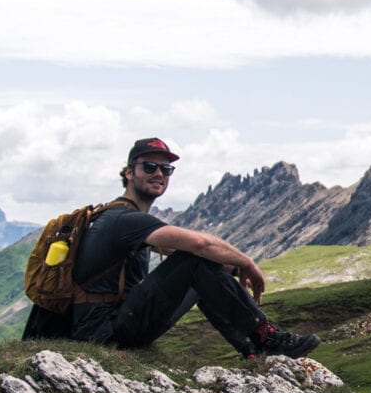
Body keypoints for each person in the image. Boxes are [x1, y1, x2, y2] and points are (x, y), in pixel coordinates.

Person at [67, 137, 320, 359]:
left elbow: (193, 254)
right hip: (103, 333)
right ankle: (265, 338)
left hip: (107, 326)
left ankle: (253, 346)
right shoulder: (124, 219)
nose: (159, 174)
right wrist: (247, 264)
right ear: (129, 173)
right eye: (149, 166)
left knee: (202, 263)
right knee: (196, 260)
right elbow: (201, 244)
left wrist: (229, 268)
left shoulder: (121, 216)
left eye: (166, 169)